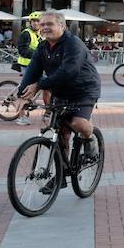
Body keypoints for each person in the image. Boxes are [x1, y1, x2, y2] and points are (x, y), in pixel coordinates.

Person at [15, 11, 101, 162]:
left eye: (49, 24)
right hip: (61, 90)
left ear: (62, 25)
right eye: (42, 25)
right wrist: (22, 96)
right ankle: (61, 174)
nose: (45, 27)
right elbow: (32, 72)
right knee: (60, 133)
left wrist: (39, 86)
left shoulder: (73, 44)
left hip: (84, 89)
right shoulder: (43, 47)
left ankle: (89, 138)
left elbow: (68, 71)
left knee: (78, 123)